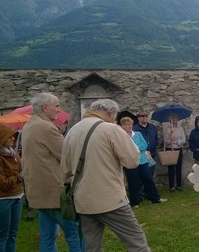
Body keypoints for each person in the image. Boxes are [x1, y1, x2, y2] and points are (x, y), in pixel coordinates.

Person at [61, 99, 151, 251]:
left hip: (83, 199)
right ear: (111, 114)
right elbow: (132, 160)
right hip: (110, 199)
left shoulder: (73, 130)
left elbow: (65, 168)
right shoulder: (110, 129)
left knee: (92, 247)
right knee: (137, 243)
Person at [21, 92, 82, 252]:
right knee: (74, 234)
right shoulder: (46, 127)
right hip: (54, 193)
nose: (59, 110)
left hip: (38, 191)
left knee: (48, 236)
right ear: (45, 107)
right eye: (56, 106)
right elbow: (67, 155)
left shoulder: (29, 125)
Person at [118, 112, 167, 208]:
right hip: (130, 162)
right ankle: (135, 202)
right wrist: (135, 148)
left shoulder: (137, 134)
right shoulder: (122, 137)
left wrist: (134, 148)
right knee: (133, 182)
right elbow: (123, 148)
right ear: (122, 126)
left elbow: (144, 145)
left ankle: (155, 198)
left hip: (143, 160)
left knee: (148, 179)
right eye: (127, 125)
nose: (129, 126)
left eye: (130, 124)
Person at [0, 123, 23, 252]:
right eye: (10, 137)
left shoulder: (14, 154)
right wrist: (18, 177)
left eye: (14, 136)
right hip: (4, 200)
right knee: (2, 236)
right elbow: (3, 183)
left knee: (13, 234)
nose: (13, 139)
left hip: (17, 197)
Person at [164, 115, 186, 192]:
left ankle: (179, 185)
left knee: (179, 167)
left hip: (179, 149)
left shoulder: (180, 129)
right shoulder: (167, 129)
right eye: (173, 118)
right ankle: (171, 186)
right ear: (171, 120)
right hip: (170, 149)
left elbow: (183, 140)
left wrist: (175, 142)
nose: (175, 120)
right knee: (171, 168)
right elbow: (166, 141)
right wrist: (170, 136)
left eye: (176, 118)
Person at [133, 111, 159, 176]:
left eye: (146, 116)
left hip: (151, 154)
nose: (144, 117)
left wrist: (153, 145)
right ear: (138, 118)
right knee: (141, 175)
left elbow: (156, 138)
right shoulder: (135, 129)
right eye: (142, 116)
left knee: (150, 174)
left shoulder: (152, 127)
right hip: (141, 156)